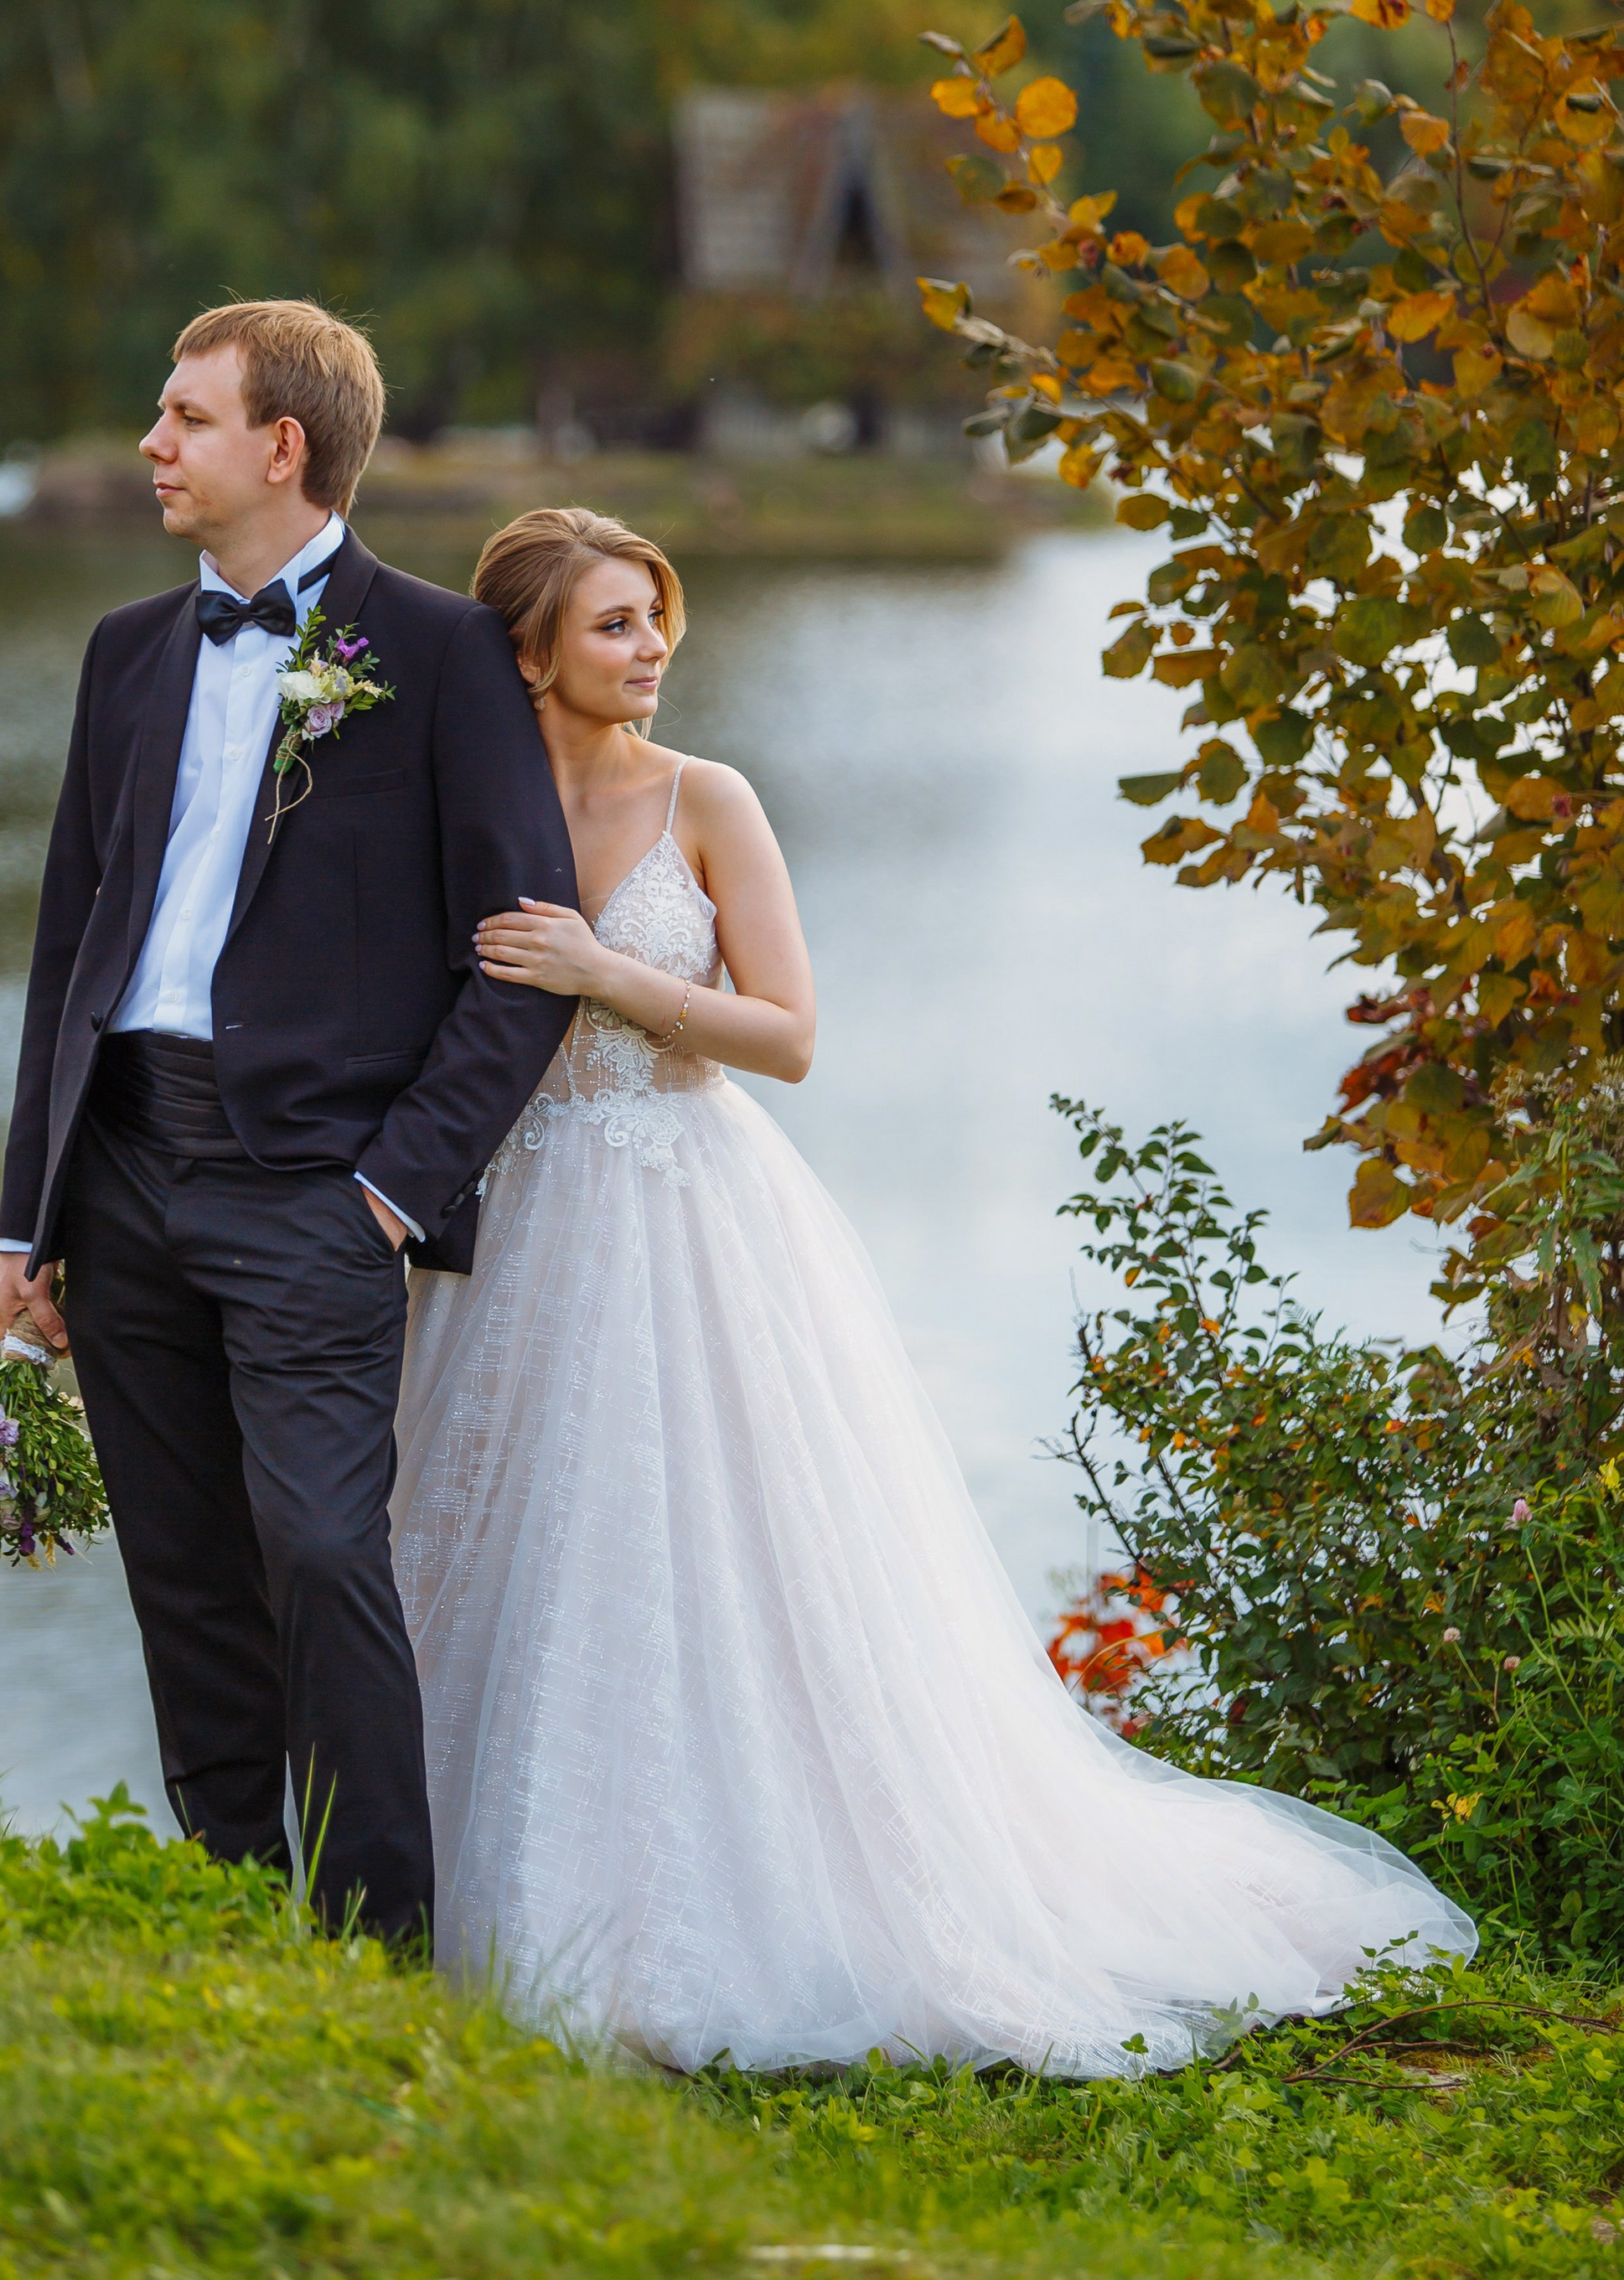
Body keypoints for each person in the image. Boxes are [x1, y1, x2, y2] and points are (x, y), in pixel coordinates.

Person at [390, 504, 1477, 2076]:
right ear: (528, 650)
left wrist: (605, 970)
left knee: (723, 1556)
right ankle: (478, 1902)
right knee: (517, 1550)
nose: (654, 649)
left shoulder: (710, 799)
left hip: (689, 1210)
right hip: (518, 1220)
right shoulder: (462, 805)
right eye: (617, 624)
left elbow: (789, 1031)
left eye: (656, 618)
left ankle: (752, 1907)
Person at [0, 304, 575, 1945]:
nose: (150, 444)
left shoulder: (444, 651)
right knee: (182, 1577)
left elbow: (521, 961)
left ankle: (380, 1942)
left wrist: (392, 1191)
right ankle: (232, 1907)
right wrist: (28, 1214)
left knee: (319, 1549)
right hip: (118, 1175)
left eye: (183, 416)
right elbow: (67, 947)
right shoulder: (124, 652)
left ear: (282, 447)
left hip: (318, 1189)